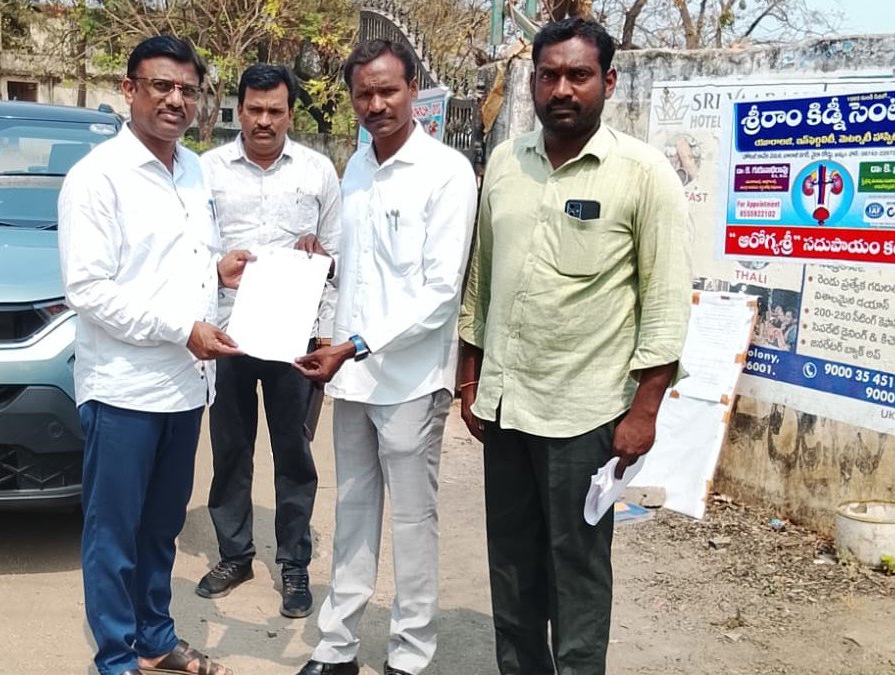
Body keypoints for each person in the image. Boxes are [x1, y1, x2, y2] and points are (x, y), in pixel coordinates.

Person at [457, 17, 691, 675]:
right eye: (549, 75)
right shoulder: (506, 164)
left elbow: (666, 301)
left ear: (608, 82)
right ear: (532, 81)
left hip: (586, 415)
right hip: (506, 408)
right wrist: (469, 377)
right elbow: (482, 277)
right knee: (512, 566)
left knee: (577, 573)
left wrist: (644, 410)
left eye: (578, 75)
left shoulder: (643, 174)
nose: (562, 89)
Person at [57, 34, 253, 675]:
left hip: (185, 387)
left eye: (187, 90)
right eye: (161, 86)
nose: (175, 100)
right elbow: (89, 290)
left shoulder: (193, 170)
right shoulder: (97, 178)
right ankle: (116, 657)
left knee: (162, 527)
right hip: (124, 389)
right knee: (113, 533)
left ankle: (155, 639)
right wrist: (181, 329)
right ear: (129, 90)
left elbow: (178, 262)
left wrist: (219, 272)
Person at [291, 39, 478, 675]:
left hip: (409, 378)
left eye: (387, 91)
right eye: (363, 94)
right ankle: (337, 646)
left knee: (413, 523)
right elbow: (362, 270)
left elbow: (439, 291)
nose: (375, 104)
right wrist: (323, 262)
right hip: (352, 379)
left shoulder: (446, 172)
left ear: (413, 90)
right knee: (352, 513)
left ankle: (410, 655)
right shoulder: (358, 168)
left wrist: (356, 345)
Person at [195, 63, 341, 619]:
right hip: (228, 335)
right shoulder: (206, 171)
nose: (263, 120)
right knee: (230, 450)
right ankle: (235, 555)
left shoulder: (317, 172)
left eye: (275, 111)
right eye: (254, 109)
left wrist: (324, 332)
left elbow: (337, 257)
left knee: (294, 454)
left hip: (293, 339)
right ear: (238, 109)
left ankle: (294, 563)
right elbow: (191, 249)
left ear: (290, 113)